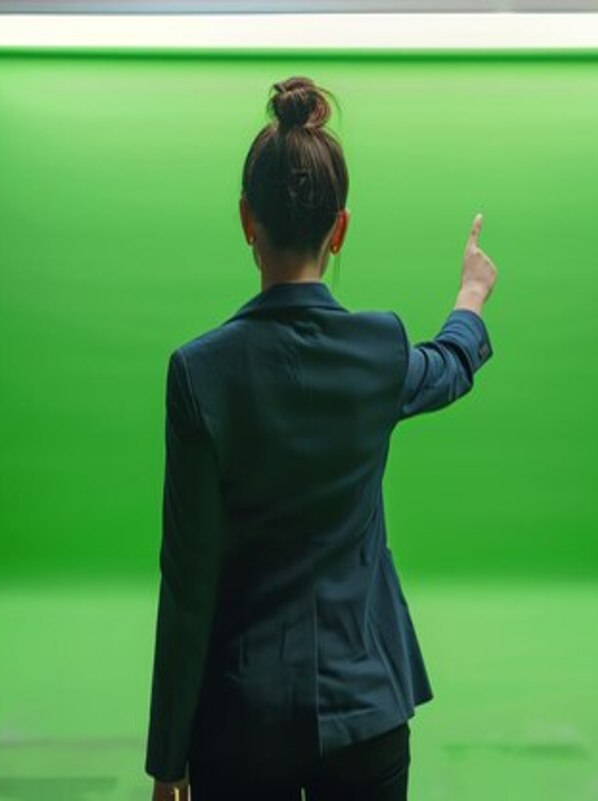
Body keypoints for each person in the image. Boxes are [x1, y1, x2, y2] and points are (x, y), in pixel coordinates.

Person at [145, 76, 497, 801]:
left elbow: (187, 579)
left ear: (247, 219)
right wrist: (470, 295)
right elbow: (451, 364)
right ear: (340, 229)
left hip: (240, 722)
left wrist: (168, 758)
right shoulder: (379, 349)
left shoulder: (198, 372)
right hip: (368, 707)